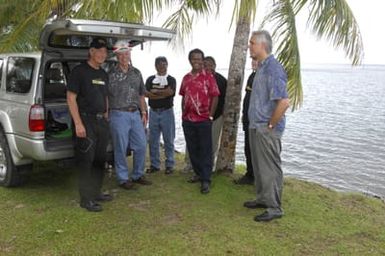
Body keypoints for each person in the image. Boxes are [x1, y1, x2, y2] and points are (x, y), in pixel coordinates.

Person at [243, 30, 290, 222]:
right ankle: (263, 199)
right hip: (257, 126)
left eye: (252, 43)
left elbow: (284, 102)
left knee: (270, 168)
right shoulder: (261, 67)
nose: (249, 46)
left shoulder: (273, 68)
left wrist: (270, 125)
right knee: (260, 167)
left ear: (262, 45)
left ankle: (274, 207)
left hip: (266, 128)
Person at [67, 37, 112, 212]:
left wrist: (106, 113)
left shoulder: (103, 73)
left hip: (101, 121)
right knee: (86, 160)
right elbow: (71, 98)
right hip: (85, 121)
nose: (103, 54)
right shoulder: (79, 72)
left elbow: (105, 96)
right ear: (91, 52)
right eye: (99, 51)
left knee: (100, 159)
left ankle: (96, 192)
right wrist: (78, 124)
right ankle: (86, 199)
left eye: (105, 52)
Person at [108, 40, 152, 189]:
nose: (124, 56)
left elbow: (141, 94)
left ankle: (138, 174)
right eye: (121, 54)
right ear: (116, 56)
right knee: (120, 147)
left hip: (135, 114)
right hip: (118, 114)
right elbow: (105, 96)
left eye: (126, 53)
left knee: (141, 144)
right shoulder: (110, 74)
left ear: (130, 54)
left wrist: (144, 111)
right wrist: (106, 112)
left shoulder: (136, 73)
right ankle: (123, 178)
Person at [180, 48, 220, 194]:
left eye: (199, 59)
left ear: (202, 61)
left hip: (203, 120)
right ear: (190, 60)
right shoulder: (186, 78)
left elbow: (215, 96)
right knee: (193, 149)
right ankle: (198, 174)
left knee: (205, 149)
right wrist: (183, 115)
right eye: (194, 58)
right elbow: (183, 96)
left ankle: (206, 180)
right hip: (188, 120)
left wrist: (210, 116)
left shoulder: (208, 77)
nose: (196, 61)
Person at [145, 56, 177, 175]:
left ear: (167, 65)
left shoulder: (171, 80)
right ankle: (155, 165)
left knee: (169, 139)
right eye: (159, 64)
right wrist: (163, 93)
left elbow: (171, 92)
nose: (162, 66)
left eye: (164, 64)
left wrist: (155, 92)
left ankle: (169, 165)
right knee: (153, 140)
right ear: (155, 66)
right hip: (153, 112)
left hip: (167, 112)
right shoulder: (150, 79)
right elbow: (146, 93)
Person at [234, 60, 258, 185]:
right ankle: (250, 175)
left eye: (257, 60)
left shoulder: (263, 77)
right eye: (253, 60)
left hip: (258, 122)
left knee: (258, 151)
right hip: (248, 120)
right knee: (248, 149)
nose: (253, 63)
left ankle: (260, 179)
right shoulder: (252, 76)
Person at [203, 56, 227, 171]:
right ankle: (193, 165)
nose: (208, 67)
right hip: (200, 117)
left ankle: (209, 167)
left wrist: (223, 113)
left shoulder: (222, 80)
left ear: (215, 66)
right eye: (205, 65)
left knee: (212, 143)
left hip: (216, 117)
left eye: (210, 65)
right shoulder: (200, 79)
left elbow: (226, 99)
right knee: (198, 142)